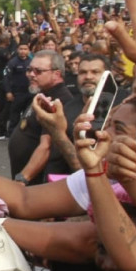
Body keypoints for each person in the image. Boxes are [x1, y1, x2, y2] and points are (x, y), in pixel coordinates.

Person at [7, 49, 83, 184]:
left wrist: (23, 178)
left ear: (56, 74)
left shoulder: (58, 101)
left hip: (34, 182)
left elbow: (46, 146)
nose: (31, 74)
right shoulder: (43, 93)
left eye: (38, 71)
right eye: (29, 70)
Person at [0, 42, 32, 140]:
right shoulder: (12, 62)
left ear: (28, 51)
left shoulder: (32, 62)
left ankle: (26, 135)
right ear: (18, 50)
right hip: (17, 93)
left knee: (28, 116)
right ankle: (12, 134)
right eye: (21, 49)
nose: (23, 51)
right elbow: (6, 78)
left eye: (25, 49)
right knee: (14, 116)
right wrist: (8, 91)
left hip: (30, 93)